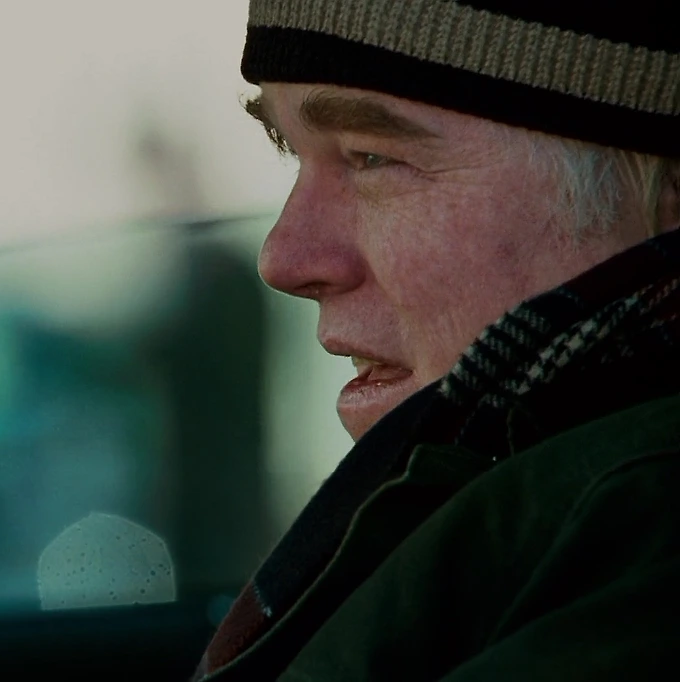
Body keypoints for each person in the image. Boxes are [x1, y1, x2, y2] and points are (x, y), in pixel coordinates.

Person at [194, 2, 680, 680]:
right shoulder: (525, 506)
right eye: (290, 151)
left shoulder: (642, 531)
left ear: (664, 188)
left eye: (372, 157)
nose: (284, 258)